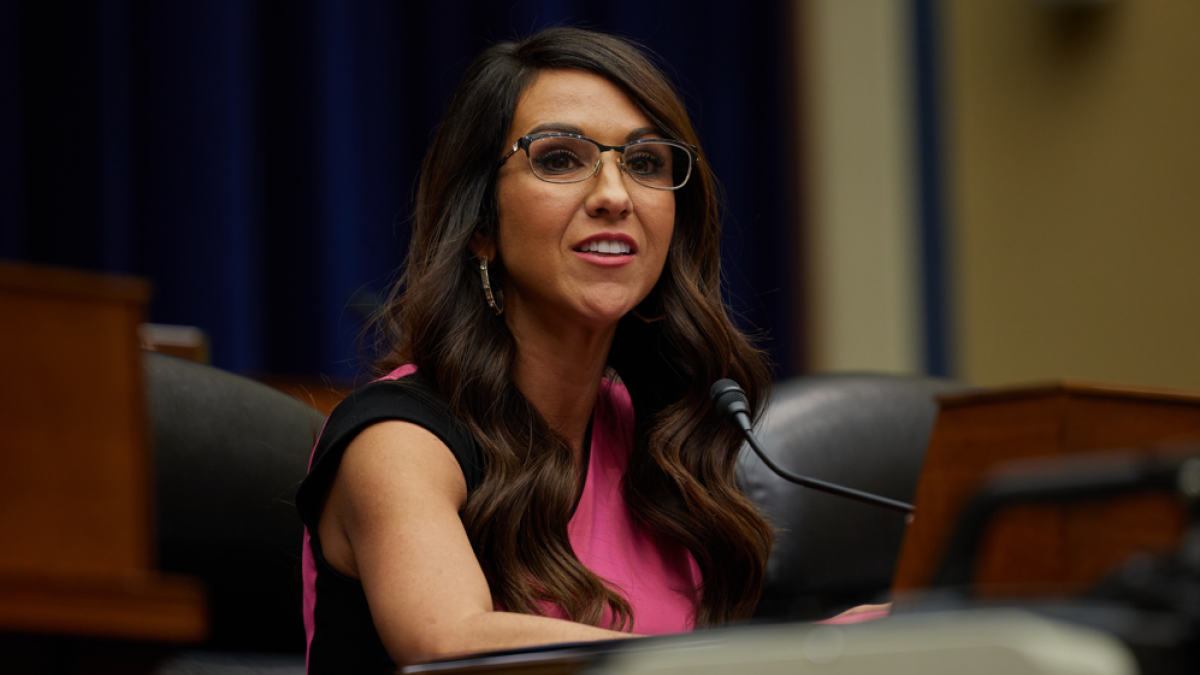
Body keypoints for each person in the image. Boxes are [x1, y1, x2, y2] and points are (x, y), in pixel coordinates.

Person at [295, 27, 773, 672]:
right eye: (559, 159)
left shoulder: (662, 442)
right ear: (481, 227)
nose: (615, 195)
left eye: (645, 163)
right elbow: (448, 641)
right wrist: (746, 659)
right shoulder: (398, 438)